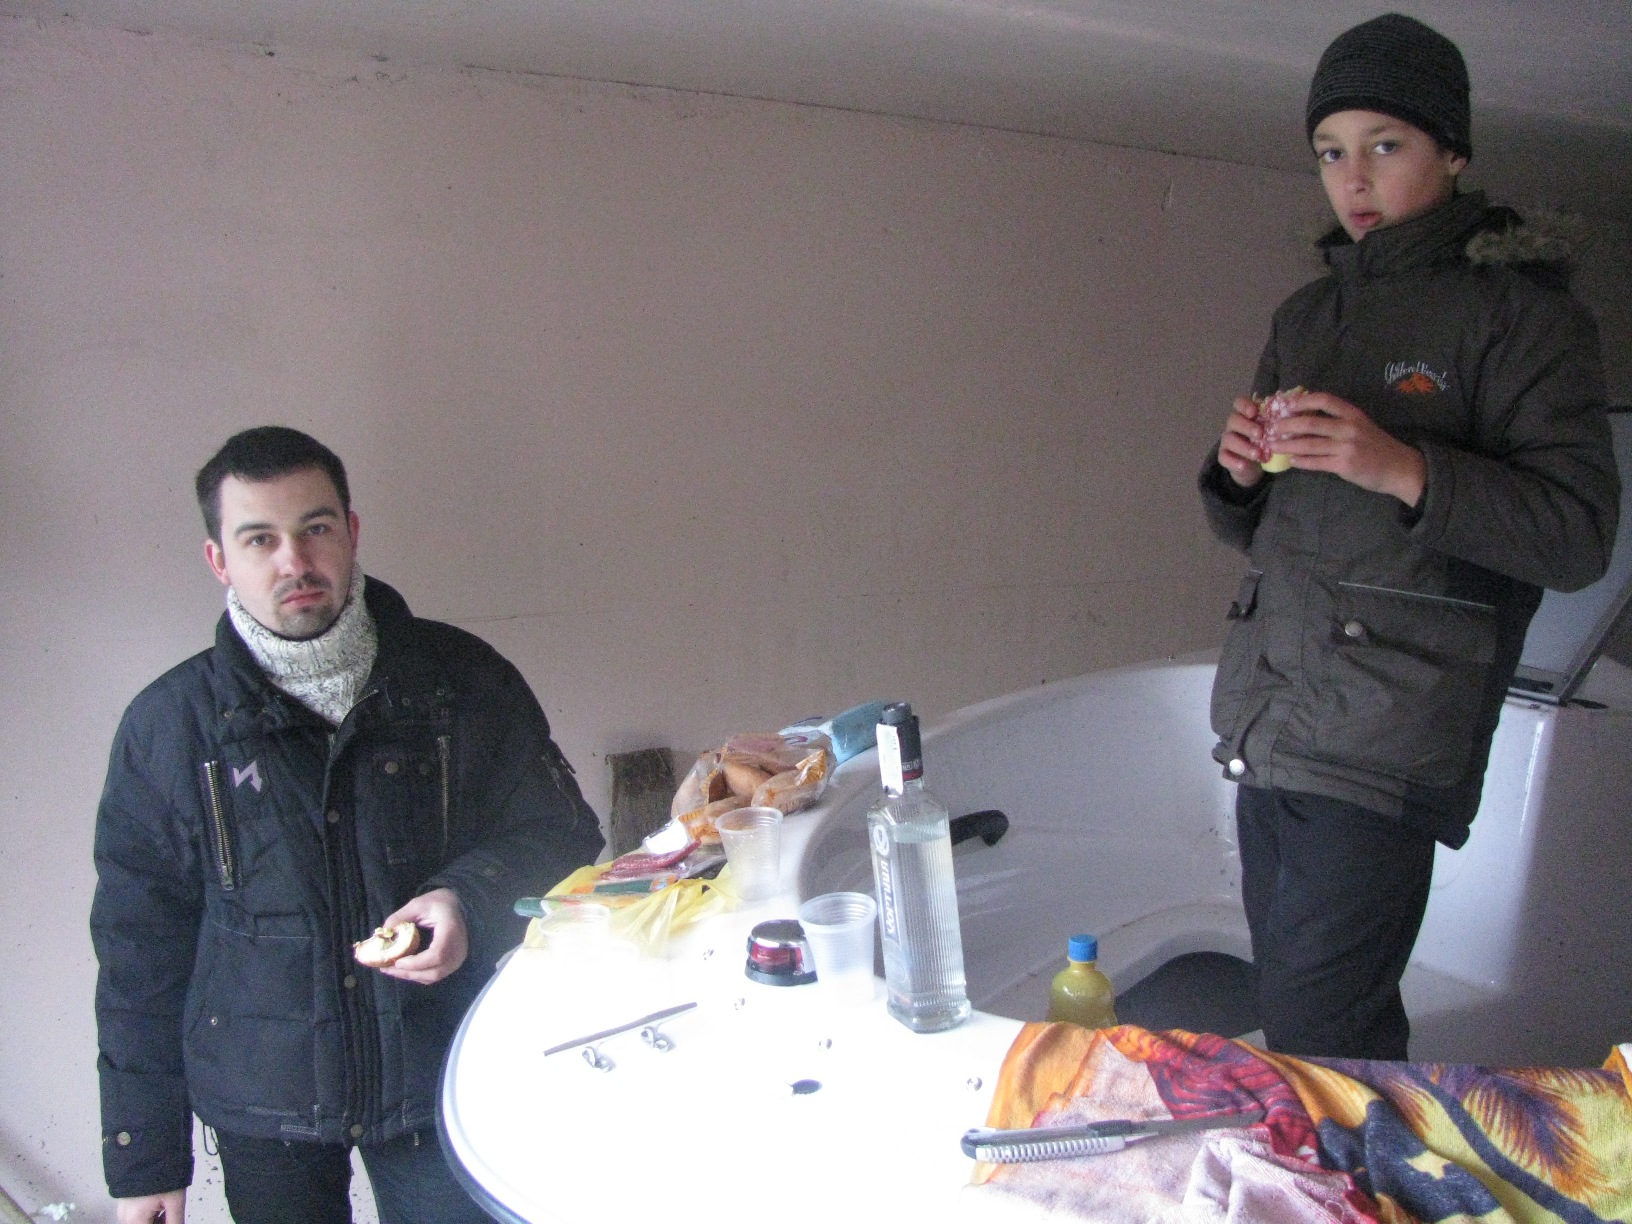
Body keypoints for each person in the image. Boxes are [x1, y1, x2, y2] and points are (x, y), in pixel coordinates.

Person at [1199, 13, 1620, 1060]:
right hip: (1269, 716)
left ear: (1454, 152)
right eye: (1330, 152)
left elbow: (1577, 536)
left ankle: (1365, 1163)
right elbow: (1269, 532)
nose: (1354, 179)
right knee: (1303, 1027)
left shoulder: (1524, 319)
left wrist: (1402, 465)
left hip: (1386, 732)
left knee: (1322, 1038)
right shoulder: (1309, 315)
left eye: (1384, 145)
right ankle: (1361, 1155)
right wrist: (1238, 474)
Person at [92, 427, 605, 1223]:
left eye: (316, 528)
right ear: (219, 560)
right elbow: (139, 950)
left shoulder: (462, 680)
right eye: (260, 539)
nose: (294, 561)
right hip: (264, 1105)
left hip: (440, 1073)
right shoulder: (170, 727)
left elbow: (561, 835)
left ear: (352, 531)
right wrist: (145, 1157)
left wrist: (465, 901)